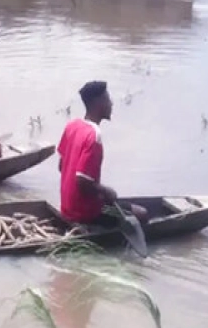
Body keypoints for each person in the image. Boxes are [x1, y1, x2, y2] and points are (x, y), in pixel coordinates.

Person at [57, 81, 147, 225]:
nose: (111, 104)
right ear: (98, 103)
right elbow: (83, 182)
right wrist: (106, 191)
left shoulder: (72, 126)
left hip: (66, 208)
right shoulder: (94, 136)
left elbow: (61, 167)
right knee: (142, 214)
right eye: (108, 99)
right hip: (85, 214)